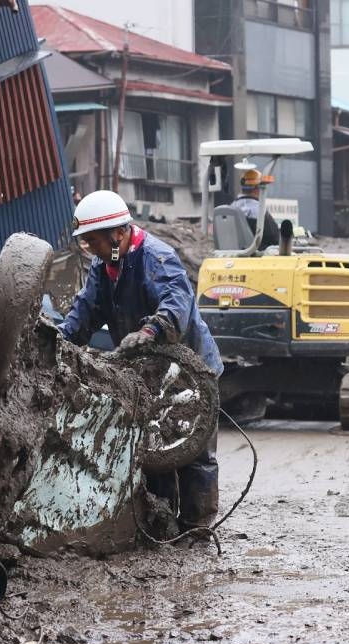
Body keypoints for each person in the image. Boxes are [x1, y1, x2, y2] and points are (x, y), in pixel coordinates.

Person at [57, 190, 224, 529]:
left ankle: (197, 528)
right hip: (148, 376)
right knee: (151, 451)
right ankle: (162, 523)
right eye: (86, 243)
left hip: (187, 374)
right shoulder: (103, 268)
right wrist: (57, 342)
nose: (91, 249)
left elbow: (176, 306)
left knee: (193, 453)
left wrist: (149, 332)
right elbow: (84, 314)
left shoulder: (157, 258)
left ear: (118, 234)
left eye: (94, 242)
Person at [231, 168, 280, 250]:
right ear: (258, 188)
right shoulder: (258, 211)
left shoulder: (231, 208)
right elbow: (275, 239)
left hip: (231, 255)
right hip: (257, 256)